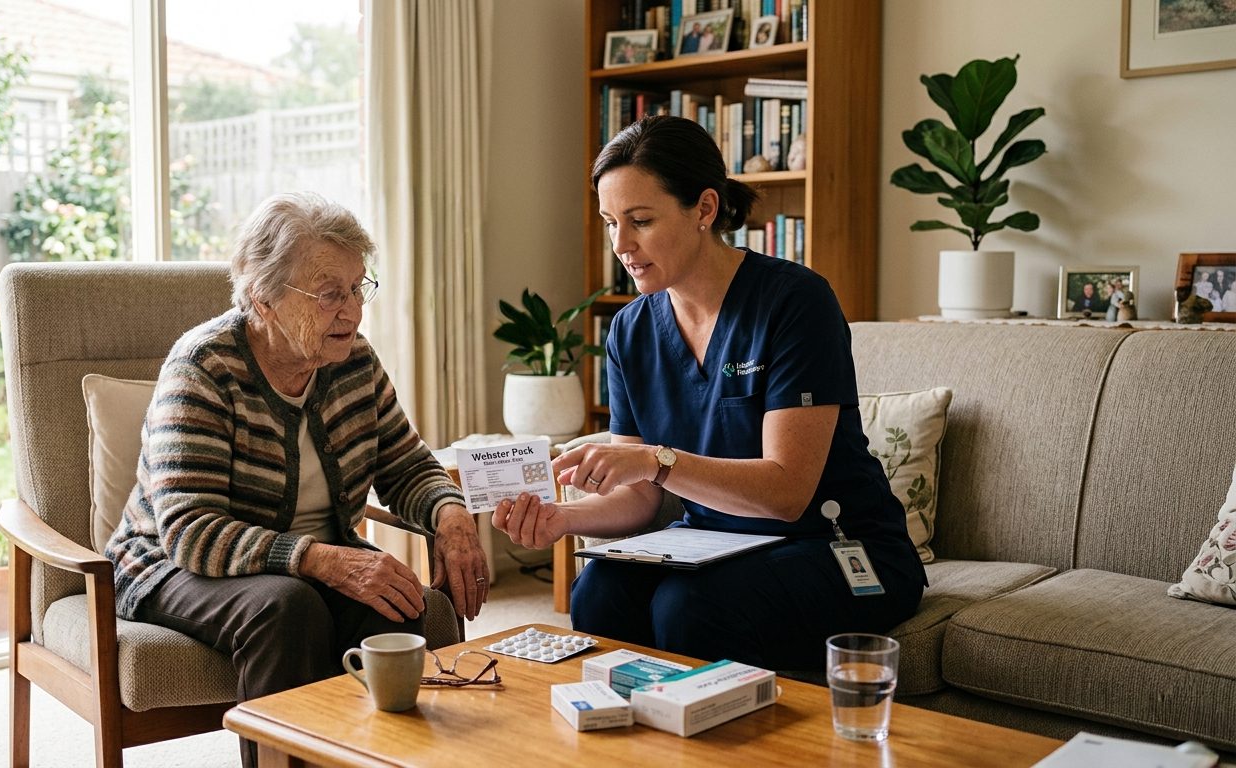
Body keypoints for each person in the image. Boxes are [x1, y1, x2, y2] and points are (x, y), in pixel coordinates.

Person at [492, 115, 925, 671]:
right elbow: (643, 496)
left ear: (704, 208)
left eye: (641, 221)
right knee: (598, 588)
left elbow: (787, 492)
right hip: (712, 543)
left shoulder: (796, 303)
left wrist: (655, 460)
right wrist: (564, 519)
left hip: (840, 545)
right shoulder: (630, 329)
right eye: (609, 223)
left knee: (691, 605)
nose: (621, 245)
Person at [105, 192, 488, 768]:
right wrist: (322, 560)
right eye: (330, 294)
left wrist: (451, 516)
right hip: (171, 564)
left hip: (305, 559)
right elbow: (189, 530)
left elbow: (406, 464)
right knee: (286, 607)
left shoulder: (354, 361)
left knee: (398, 602)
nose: (353, 312)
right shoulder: (204, 368)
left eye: (359, 288)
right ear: (263, 298)